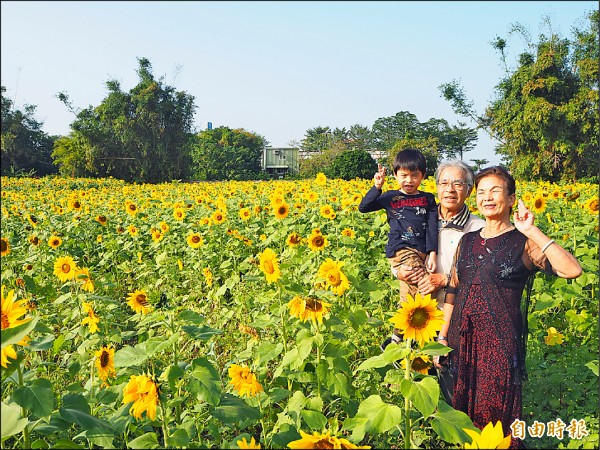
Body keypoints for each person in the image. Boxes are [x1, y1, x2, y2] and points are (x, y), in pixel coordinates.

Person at [435, 166, 582, 449]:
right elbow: (454, 288)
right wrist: (442, 337)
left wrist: (532, 230)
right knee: (462, 419)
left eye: (495, 191)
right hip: (461, 342)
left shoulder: (523, 243)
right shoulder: (467, 241)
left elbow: (571, 270)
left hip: (498, 348)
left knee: (496, 423)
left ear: (512, 199)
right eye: (481, 192)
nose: (487, 197)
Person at [395, 160, 484, 402]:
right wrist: (399, 272)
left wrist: (443, 279)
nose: (450, 190)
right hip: (416, 312)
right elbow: (398, 250)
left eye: (458, 184)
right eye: (444, 183)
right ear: (435, 187)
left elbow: (483, 274)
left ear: (469, 190)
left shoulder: (478, 228)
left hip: (454, 314)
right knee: (415, 378)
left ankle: (452, 429)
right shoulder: (419, 218)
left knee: (451, 380)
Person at [359, 149, 438, 344]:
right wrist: (377, 186)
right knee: (421, 285)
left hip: (420, 251)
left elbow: (432, 227)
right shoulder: (391, 197)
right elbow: (364, 207)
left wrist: (432, 253)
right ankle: (405, 332)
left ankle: (401, 338)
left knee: (411, 290)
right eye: (403, 176)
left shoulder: (427, 199)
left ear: (423, 176)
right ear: (395, 175)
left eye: (414, 176)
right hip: (401, 248)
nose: (409, 180)